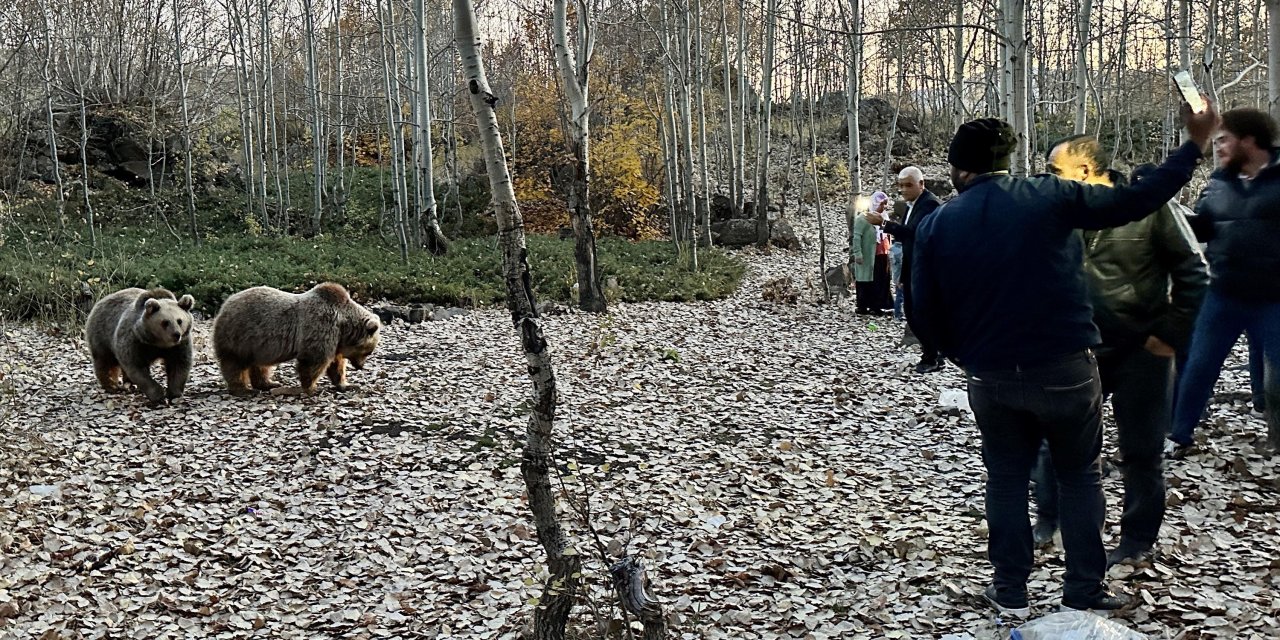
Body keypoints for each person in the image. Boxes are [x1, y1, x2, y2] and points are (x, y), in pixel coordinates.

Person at [911, 105, 1217, 615]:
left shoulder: (939, 223)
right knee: (1080, 476)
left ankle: (1010, 590)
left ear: (959, 169)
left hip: (991, 372)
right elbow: (1136, 200)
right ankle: (1084, 589)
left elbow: (923, 308)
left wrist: (961, 354)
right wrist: (1193, 146)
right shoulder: (1049, 196)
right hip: (1066, 366)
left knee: (1006, 479)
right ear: (1007, 160)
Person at [1029, 135, 1208, 568]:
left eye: (1054, 170)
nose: (1047, 179)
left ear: (1084, 171)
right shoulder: (1056, 211)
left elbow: (1194, 272)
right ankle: (1049, 521)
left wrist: (1169, 334)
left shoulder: (1151, 208)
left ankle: (1136, 540)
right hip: (1075, 348)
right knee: (1055, 443)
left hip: (1140, 350)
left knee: (1142, 451)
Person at [1168, 108, 1280, 456]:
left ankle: (1277, 439)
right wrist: (1172, 217)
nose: (1217, 148)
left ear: (1249, 140)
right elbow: (1204, 227)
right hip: (1223, 294)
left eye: (1224, 140)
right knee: (1198, 366)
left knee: (1277, 374)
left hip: (1274, 298)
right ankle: (1179, 436)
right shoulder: (1219, 182)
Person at [867, 166, 944, 373]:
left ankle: (932, 356)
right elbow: (907, 239)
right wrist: (903, 274)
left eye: (908, 185)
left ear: (921, 184)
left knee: (920, 313)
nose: (903, 190)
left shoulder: (929, 204)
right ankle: (933, 354)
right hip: (913, 266)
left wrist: (884, 224)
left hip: (926, 269)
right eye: (900, 185)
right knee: (912, 313)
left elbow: (914, 233)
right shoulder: (912, 205)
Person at [850, 191, 889, 315]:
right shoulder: (863, 218)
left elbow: (887, 236)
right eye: (881, 204)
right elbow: (857, 237)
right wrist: (858, 253)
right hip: (869, 255)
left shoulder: (884, 218)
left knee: (880, 280)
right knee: (865, 280)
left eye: (885, 204)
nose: (884, 207)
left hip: (882, 253)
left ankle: (878, 306)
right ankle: (863, 306)